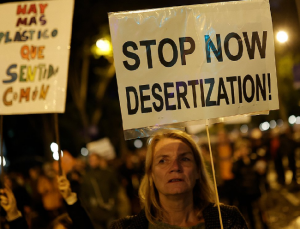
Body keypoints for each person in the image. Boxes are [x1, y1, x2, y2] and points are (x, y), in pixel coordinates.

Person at [58, 129, 248, 228]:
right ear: (150, 174)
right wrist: (71, 201)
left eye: (185, 159)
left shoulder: (228, 221)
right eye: (163, 161)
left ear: (198, 171)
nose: (175, 167)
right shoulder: (125, 228)